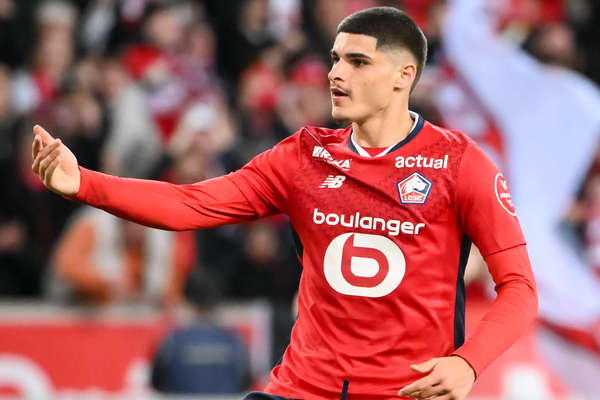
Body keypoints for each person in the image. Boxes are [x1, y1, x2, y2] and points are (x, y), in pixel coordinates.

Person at [30, 7, 537, 400]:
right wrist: (85, 184)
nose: (337, 73)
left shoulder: (460, 163)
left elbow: (519, 288)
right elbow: (192, 203)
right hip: (303, 389)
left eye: (358, 62)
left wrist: (468, 363)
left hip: (403, 393)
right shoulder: (303, 156)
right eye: (336, 58)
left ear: (404, 75)